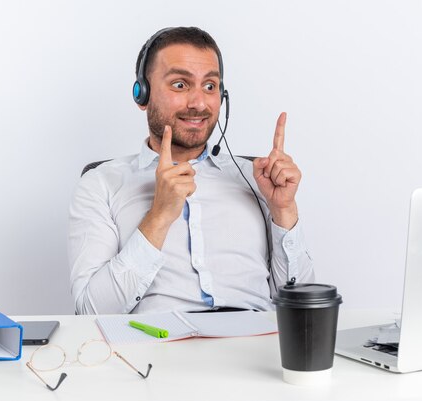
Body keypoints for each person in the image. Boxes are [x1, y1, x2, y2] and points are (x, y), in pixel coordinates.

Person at [68, 27, 314, 314]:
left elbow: (301, 307)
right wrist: (158, 217)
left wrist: (284, 212)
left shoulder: (257, 179)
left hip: (252, 344)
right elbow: (91, 313)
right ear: (142, 93)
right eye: (180, 85)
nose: (198, 103)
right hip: (155, 348)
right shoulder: (101, 184)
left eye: (210, 87)